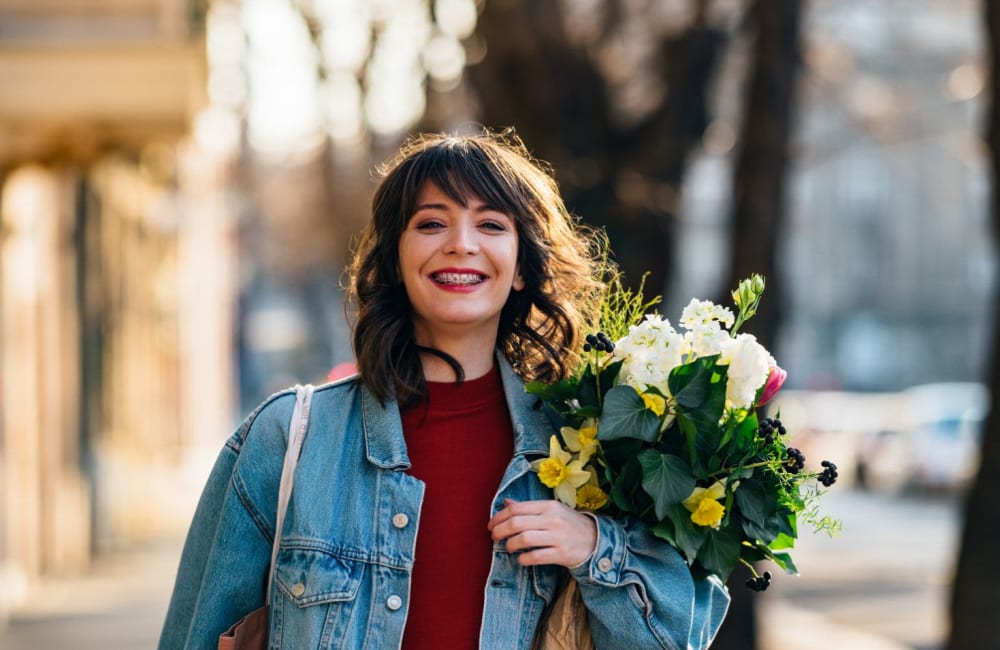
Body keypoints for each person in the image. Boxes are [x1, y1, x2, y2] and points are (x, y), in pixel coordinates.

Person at [159, 130, 730, 649]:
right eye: (431, 223)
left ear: (522, 266)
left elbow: (677, 638)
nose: (460, 244)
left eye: (491, 224)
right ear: (396, 257)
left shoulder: (594, 447)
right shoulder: (289, 441)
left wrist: (594, 547)